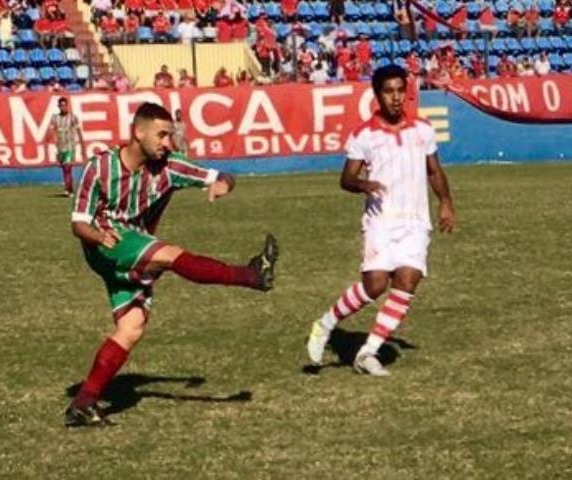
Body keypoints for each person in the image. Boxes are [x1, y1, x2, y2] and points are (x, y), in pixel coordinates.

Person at [64, 103, 279, 427]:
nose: (168, 142)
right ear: (138, 132)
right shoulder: (101, 167)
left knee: (131, 327)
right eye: (162, 134)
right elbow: (78, 224)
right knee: (170, 255)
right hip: (106, 243)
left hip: (132, 246)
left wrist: (223, 184)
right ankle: (250, 275)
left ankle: (83, 403)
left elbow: (223, 175)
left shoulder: (171, 167)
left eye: (170, 135)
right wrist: (98, 236)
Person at [305, 65, 456, 376]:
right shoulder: (364, 135)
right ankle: (325, 324)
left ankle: (368, 352)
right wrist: (363, 184)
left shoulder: (423, 129)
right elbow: (346, 179)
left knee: (408, 280)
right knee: (374, 285)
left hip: (415, 221)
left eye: (400, 90)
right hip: (381, 220)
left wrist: (445, 203)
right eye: (388, 91)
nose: (396, 97)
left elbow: (434, 170)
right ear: (377, 95)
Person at [48, 97, 85, 197]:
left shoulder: (73, 118)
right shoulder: (55, 118)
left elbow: (78, 131)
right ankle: (70, 189)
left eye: (65, 105)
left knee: (68, 167)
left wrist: (82, 145)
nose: (63, 107)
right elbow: (51, 130)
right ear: (59, 106)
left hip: (70, 146)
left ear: (68, 106)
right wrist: (51, 139)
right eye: (61, 106)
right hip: (60, 147)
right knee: (65, 169)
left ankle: (67, 189)